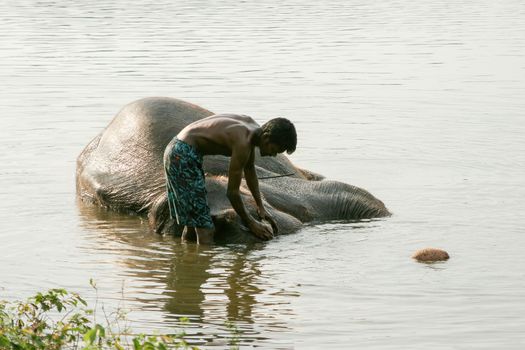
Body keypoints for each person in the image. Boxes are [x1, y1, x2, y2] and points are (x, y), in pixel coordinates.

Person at [163, 114, 297, 244]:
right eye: (274, 150)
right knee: (206, 229)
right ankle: (201, 263)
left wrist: (260, 206)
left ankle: (187, 260)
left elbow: (250, 170)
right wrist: (251, 223)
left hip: (179, 149)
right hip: (182, 156)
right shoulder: (243, 143)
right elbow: (232, 193)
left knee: (193, 223)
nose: (273, 155)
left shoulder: (252, 130)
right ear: (267, 137)